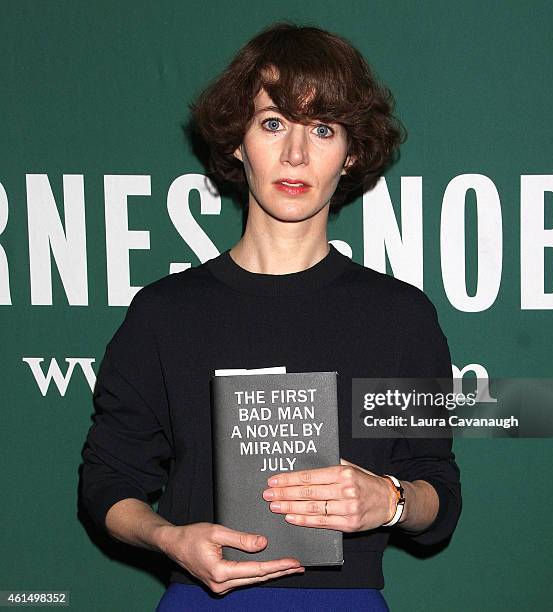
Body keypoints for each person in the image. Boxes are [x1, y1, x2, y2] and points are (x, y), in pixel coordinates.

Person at [80, 22, 462, 611]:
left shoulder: (399, 317)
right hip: (204, 600)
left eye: (323, 129)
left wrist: (389, 502)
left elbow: (437, 488)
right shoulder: (164, 314)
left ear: (351, 151)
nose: (296, 154)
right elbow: (108, 481)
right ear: (238, 140)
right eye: (274, 123)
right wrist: (168, 538)